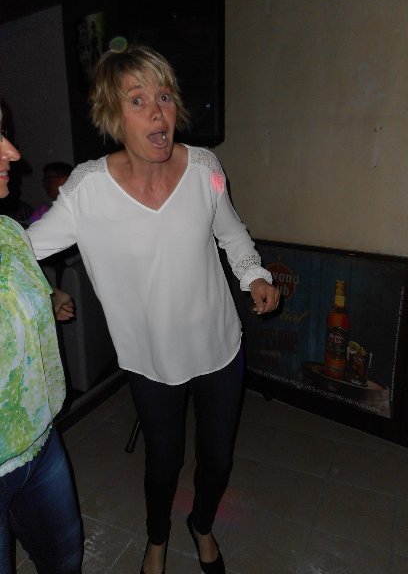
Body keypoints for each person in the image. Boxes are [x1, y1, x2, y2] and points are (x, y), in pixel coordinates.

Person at [27, 44, 279, 574]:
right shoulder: (87, 191)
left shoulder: (205, 168)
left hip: (219, 347)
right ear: (112, 115)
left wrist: (254, 274)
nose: (157, 113)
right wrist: (47, 289)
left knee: (218, 459)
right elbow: (19, 253)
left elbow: (232, 234)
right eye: (137, 100)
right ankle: (157, 539)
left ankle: (202, 526)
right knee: (164, 463)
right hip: (151, 360)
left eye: (164, 97)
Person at [0, 113, 84, 572]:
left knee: (64, 560)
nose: (13, 153)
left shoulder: (10, 232)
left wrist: (49, 298)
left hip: (40, 441)